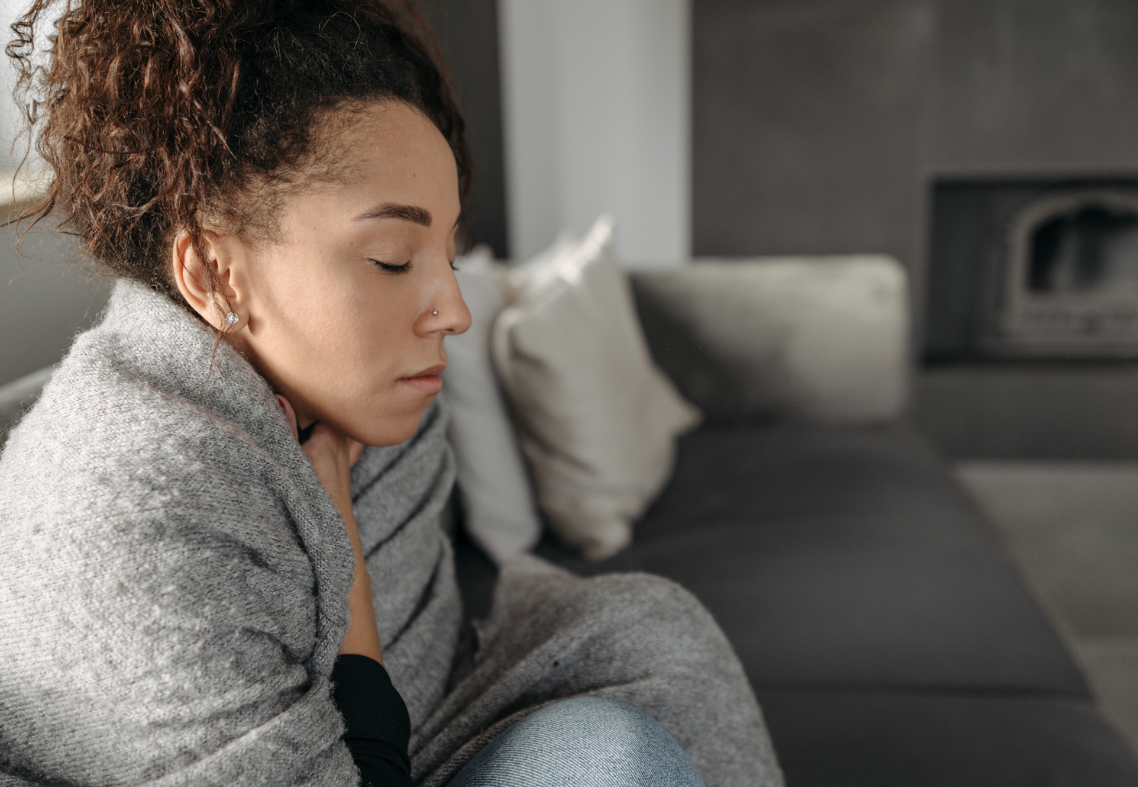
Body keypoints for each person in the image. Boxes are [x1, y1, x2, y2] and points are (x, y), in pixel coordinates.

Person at [0, 2, 783, 786]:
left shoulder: (357, 401)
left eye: (447, 253)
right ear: (213, 273)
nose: (455, 311)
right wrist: (342, 551)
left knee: (649, 634)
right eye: (392, 258)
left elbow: (423, 659)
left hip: (416, 731)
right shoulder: (134, 509)